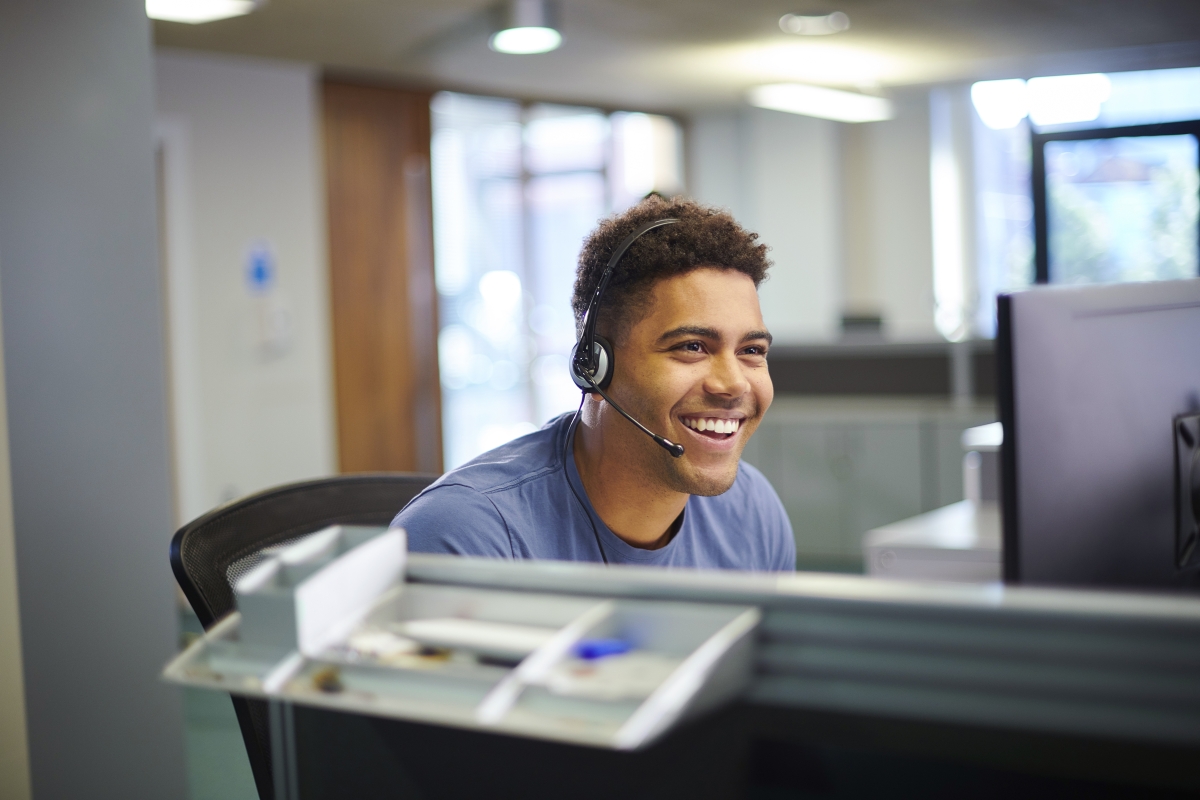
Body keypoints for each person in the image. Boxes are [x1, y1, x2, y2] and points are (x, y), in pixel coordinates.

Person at [393, 195, 794, 571]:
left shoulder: (752, 512)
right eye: (691, 346)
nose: (733, 384)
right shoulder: (466, 538)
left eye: (752, 351)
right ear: (594, 366)